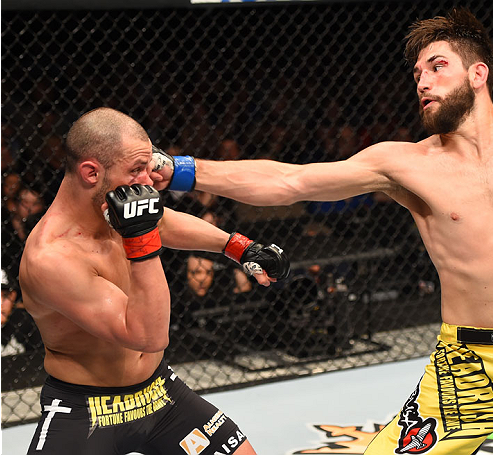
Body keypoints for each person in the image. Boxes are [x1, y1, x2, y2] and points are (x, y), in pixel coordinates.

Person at [151, 8, 493, 454]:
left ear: (478, 74)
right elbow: (289, 182)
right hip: (464, 366)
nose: (423, 81)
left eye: (437, 65)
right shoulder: (404, 163)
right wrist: (178, 169)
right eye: (417, 72)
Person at [18, 107, 290, 455]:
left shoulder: (113, 207)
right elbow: (148, 336)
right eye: (136, 171)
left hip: (158, 392)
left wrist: (240, 248)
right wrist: (140, 238)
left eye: (148, 167)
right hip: (86, 409)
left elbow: (163, 221)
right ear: (91, 172)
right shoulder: (51, 258)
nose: (148, 181)